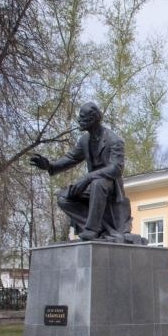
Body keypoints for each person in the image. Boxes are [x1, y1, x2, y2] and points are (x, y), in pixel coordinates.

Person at [29, 102, 135, 241]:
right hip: (92, 185)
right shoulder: (85, 140)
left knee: (98, 183)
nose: (79, 120)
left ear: (93, 118)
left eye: (83, 117)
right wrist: (50, 165)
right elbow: (71, 157)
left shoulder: (114, 140)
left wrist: (88, 177)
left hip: (110, 185)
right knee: (63, 198)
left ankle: (92, 230)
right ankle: (99, 227)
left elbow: (116, 169)